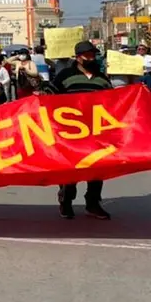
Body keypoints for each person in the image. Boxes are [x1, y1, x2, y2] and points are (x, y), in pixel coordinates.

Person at [51, 41, 113, 220]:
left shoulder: (102, 78)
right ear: (78, 57)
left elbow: (113, 100)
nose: (91, 57)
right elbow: (51, 93)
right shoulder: (65, 75)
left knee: (96, 169)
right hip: (70, 132)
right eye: (87, 54)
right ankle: (66, 201)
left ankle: (92, 203)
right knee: (71, 169)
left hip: (96, 131)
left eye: (93, 54)